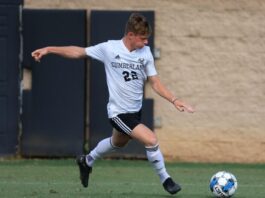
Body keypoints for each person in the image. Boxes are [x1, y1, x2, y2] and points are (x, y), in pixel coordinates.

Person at [31, 13, 195, 195]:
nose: (146, 43)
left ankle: (87, 161)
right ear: (130, 35)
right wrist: (49, 49)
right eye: (143, 39)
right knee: (151, 140)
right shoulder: (109, 48)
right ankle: (167, 180)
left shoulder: (145, 53)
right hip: (118, 113)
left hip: (135, 111)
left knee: (117, 143)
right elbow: (78, 51)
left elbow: (155, 83)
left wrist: (175, 100)